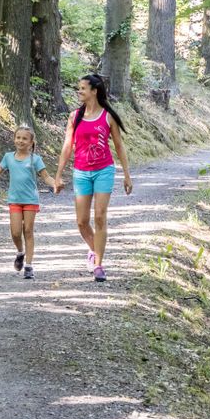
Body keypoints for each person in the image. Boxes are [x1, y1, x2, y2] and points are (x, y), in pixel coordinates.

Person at [52, 72, 133, 280]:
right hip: (81, 172)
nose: (79, 91)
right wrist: (58, 175)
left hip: (104, 170)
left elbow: (119, 146)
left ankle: (98, 266)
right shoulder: (74, 116)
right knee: (81, 221)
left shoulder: (107, 116)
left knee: (99, 216)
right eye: (78, 88)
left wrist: (126, 174)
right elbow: (67, 146)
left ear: (94, 91)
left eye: (83, 88)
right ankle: (94, 249)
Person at [0, 126, 54, 280]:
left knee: (28, 230)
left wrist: (55, 183)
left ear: (31, 142)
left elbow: (46, 177)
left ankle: (29, 265)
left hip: (30, 200)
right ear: (14, 139)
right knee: (15, 232)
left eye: (24, 138)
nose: (21, 141)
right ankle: (20, 252)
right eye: (18, 137)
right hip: (14, 200)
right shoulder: (8, 157)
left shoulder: (35, 159)